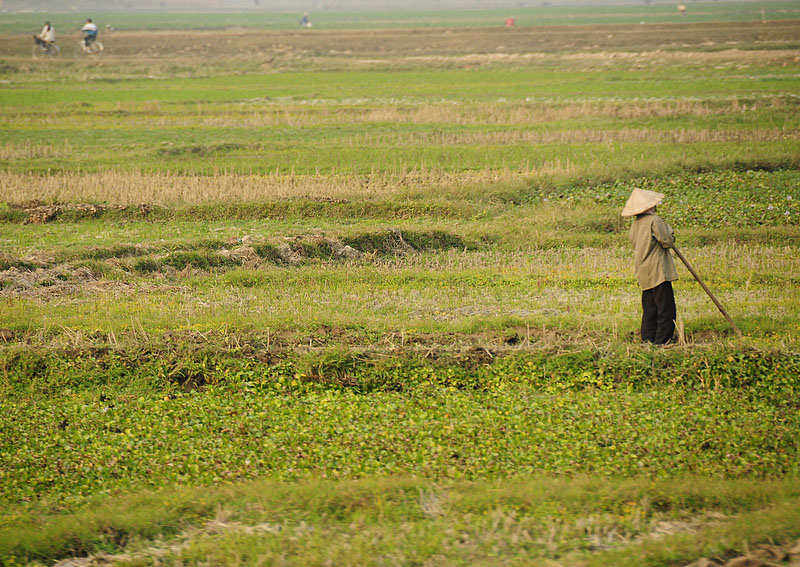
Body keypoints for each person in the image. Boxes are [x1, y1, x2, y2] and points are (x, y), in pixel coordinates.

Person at [622, 188, 678, 345]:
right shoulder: (655, 221)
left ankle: (648, 341)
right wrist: (670, 232)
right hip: (658, 270)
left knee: (650, 309)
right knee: (666, 309)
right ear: (648, 206)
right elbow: (667, 242)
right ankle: (662, 342)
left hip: (643, 270)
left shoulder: (635, 224)